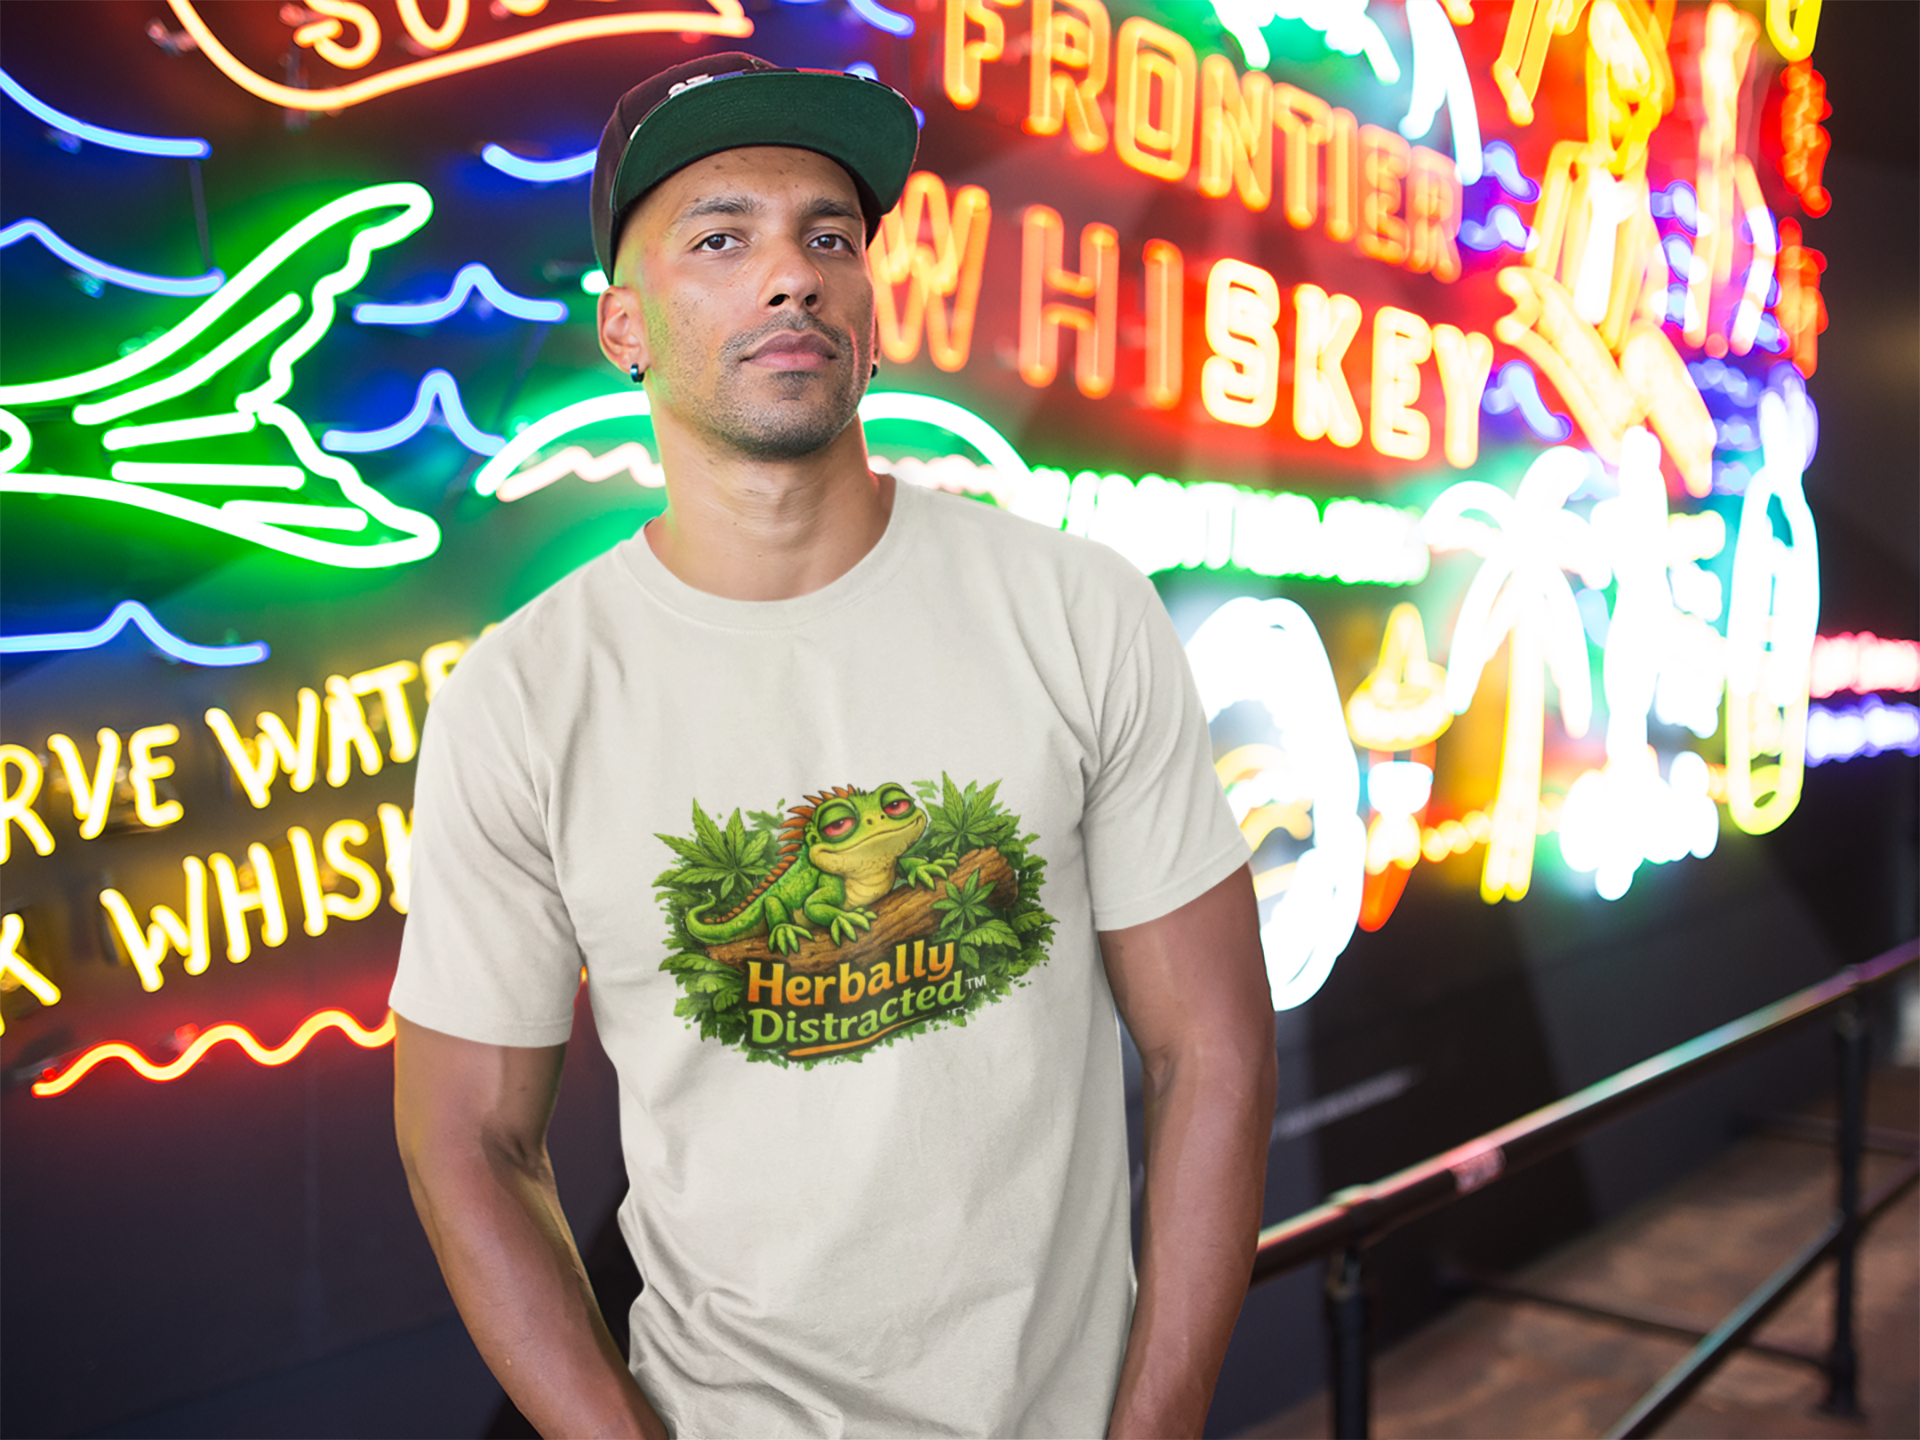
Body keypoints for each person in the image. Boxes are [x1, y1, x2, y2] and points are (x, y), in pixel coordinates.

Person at [389, 52, 1277, 1440]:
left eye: (829, 239)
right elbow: (467, 1138)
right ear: (623, 326)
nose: (790, 277)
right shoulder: (525, 696)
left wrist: (1154, 1426)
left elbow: (1212, 1048)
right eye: (721, 239)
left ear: (868, 309)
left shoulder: (1076, 609)